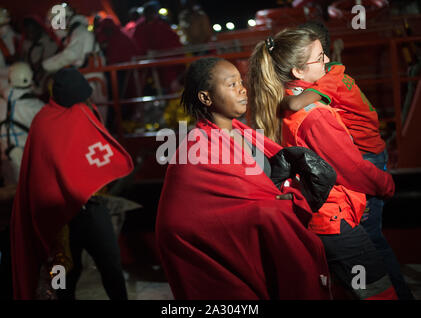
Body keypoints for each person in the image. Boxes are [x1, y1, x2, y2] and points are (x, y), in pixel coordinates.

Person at [156, 57, 339, 300]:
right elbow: (179, 222)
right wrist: (274, 207)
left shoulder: (244, 133)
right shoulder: (197, 148)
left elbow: (256, 190)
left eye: (241, 82)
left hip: (264, 244)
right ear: (206, 98)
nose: (242, 89)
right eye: (231, 84)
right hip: (226, 262)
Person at [248, 28, 397, 299]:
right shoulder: (314, 115)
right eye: (319, 57)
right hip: (335, 219)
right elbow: (351, 169)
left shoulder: (275, 103)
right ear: (298, 72)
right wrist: (386, 185)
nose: (327, 59)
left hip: (311, 214)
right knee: (378, 290)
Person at [281, 22, 415, 300]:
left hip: (367, 159)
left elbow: (295, 105)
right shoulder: (333, 77)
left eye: (324, 55)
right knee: (372, 241)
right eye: (320, 56)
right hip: (365, 160)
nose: (326, 60)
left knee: (372, 240)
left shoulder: (322, 85)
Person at [10, 67, 133, 300]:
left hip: (89, 208)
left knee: (109, 268)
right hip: (62, 218)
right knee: (66, 277)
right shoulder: (46, 120)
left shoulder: (76, 114)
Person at [42, 3, 108, 120]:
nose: (56, 28)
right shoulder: (75, 32)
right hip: (88, 80)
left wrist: (45, 66)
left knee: (97, 118)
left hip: (92, 81)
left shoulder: (80, 32)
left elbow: (70, 55)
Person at [0, 62, 44, 186]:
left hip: (7, 163)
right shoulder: (38, 107)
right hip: (31, 164)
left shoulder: (1, 104)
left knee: (11, 201)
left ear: (10, 79)